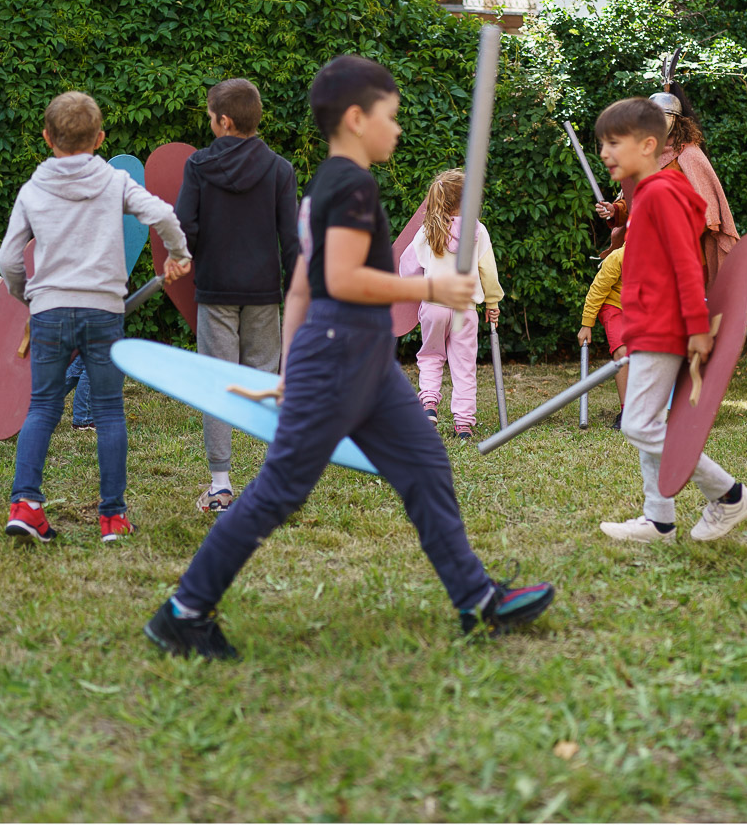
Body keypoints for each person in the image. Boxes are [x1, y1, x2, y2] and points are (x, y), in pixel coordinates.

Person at [144, 55, 555, 659]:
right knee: (279, 490)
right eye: (391, 116)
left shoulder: (331, 183)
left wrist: (290, 366)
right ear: (358, 118)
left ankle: (477, 600)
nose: (398, 129)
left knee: (424, 466)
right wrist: (430, 289)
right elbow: (341, 277)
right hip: (341, 356)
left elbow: (306, 283)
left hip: (358, 359)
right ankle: (184, 611)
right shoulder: (351, 184)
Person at [0, 91, 191, 543]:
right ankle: (113, 518)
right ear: (101, 138)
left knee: (43, 406)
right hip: (104, 311)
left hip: (49, 310)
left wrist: (27, 296)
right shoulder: (113, 182)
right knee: (108, 411)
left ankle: (26, 505)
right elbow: (162, 214)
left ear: (47, 138)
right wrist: (178, 256)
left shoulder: (33, 190)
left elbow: (8, 259)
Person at [594, 97, 747, 545]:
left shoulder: (663, 193)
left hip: (666, 327)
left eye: (615, 143)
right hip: (650, 324)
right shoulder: (649, 194)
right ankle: (659, 521)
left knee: (637, 424)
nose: (606, 153)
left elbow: (687, 265)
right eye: (602, 144)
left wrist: (695, 328)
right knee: (650, 420)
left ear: (649, 144)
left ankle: (729, 495)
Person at [175, 77, 299, 512]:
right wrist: (296, 290)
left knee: (217, 382)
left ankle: (221, 484)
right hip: (265, 292)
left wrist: (182, 257)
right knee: (267, 383)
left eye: (210, 116)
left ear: (224, 121)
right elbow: (291, 239)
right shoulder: (280, 169)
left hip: (215, 290)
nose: (210, 123)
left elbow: (183, 227)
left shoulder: (197, 167)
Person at [595, 77, 739, 278]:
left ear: (676, 120)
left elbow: (707, 214)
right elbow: (634, 205)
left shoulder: (689, 155)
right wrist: (614, 210)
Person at [397, 168, 503, 439]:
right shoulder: (477, 231)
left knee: (431, 355)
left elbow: (407, 266)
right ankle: (464, 423)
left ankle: (429, 404)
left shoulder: (429, 230)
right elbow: (488, 272)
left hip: (433, 304)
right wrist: (492, 302)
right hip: (463, 309)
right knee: (463, 364)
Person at [576, 242, 628, 429]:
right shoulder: (618, 257)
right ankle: (627, 411)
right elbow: (597, 291)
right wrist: (586, 324)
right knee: (623, 351)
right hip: (614, 305)